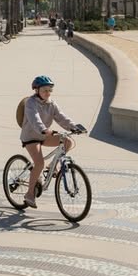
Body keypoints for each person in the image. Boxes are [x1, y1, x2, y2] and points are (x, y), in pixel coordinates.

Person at [19, 75, 83, 208]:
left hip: (44, 135)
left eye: (50, 90)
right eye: (44, 90)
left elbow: (61, 117)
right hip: (31, 136)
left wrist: (74, 127)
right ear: (37, 91)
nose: (48, 93)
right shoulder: (31, 103)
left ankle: (53, 166)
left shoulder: (51, 103)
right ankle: (29, 194)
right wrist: (43, 129)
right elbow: (34, 118)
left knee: (68, 141)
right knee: (39, 163)